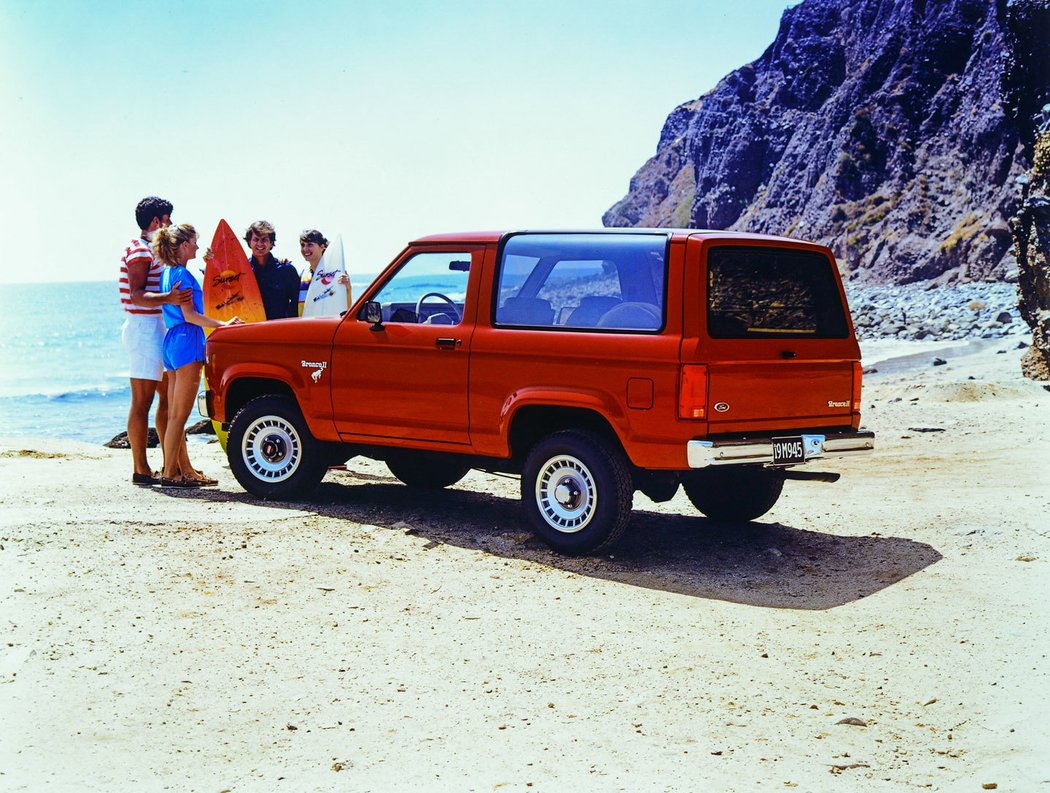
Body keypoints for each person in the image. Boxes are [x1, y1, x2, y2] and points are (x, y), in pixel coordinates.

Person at [152, 224, 241, 487]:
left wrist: (207, 265)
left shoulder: (168, 273)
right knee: (180, 416)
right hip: (187, 339)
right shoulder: (183, 275)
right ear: (183, 245)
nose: (198, 246)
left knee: (173, 415)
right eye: (194, 242)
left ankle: (184, 470)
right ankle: (170, 473)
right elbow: (191, 315)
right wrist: (224, 325)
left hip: (171, 341)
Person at [119, 196, 193, 486]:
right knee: (143, 401)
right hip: (143, 328)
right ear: (156, 222)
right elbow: (137, 293)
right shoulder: (139, 251)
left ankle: (170, 465)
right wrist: (169, 298)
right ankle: (140, 468)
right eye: (168, 219)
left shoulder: (152, 251)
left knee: (168, 399)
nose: (170, 224)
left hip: (158, 328)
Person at [245, 220, 299, 319]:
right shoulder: (242, 272)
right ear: (249, 242)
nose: (260, 244)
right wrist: (209, 259)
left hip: (280, 330)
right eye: (256, 239)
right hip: (251, 330)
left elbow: (296, 304)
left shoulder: (286, 270)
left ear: (271, 243)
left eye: (264, 239)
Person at [298, 229, 351, 316]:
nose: (305, 249)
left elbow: (346, 307)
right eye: (302, 245)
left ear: (322, 246)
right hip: (305, 327)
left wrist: (348, 288)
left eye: (310, 245)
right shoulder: (302, 276)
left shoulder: (336, 273)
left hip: (328, 326)